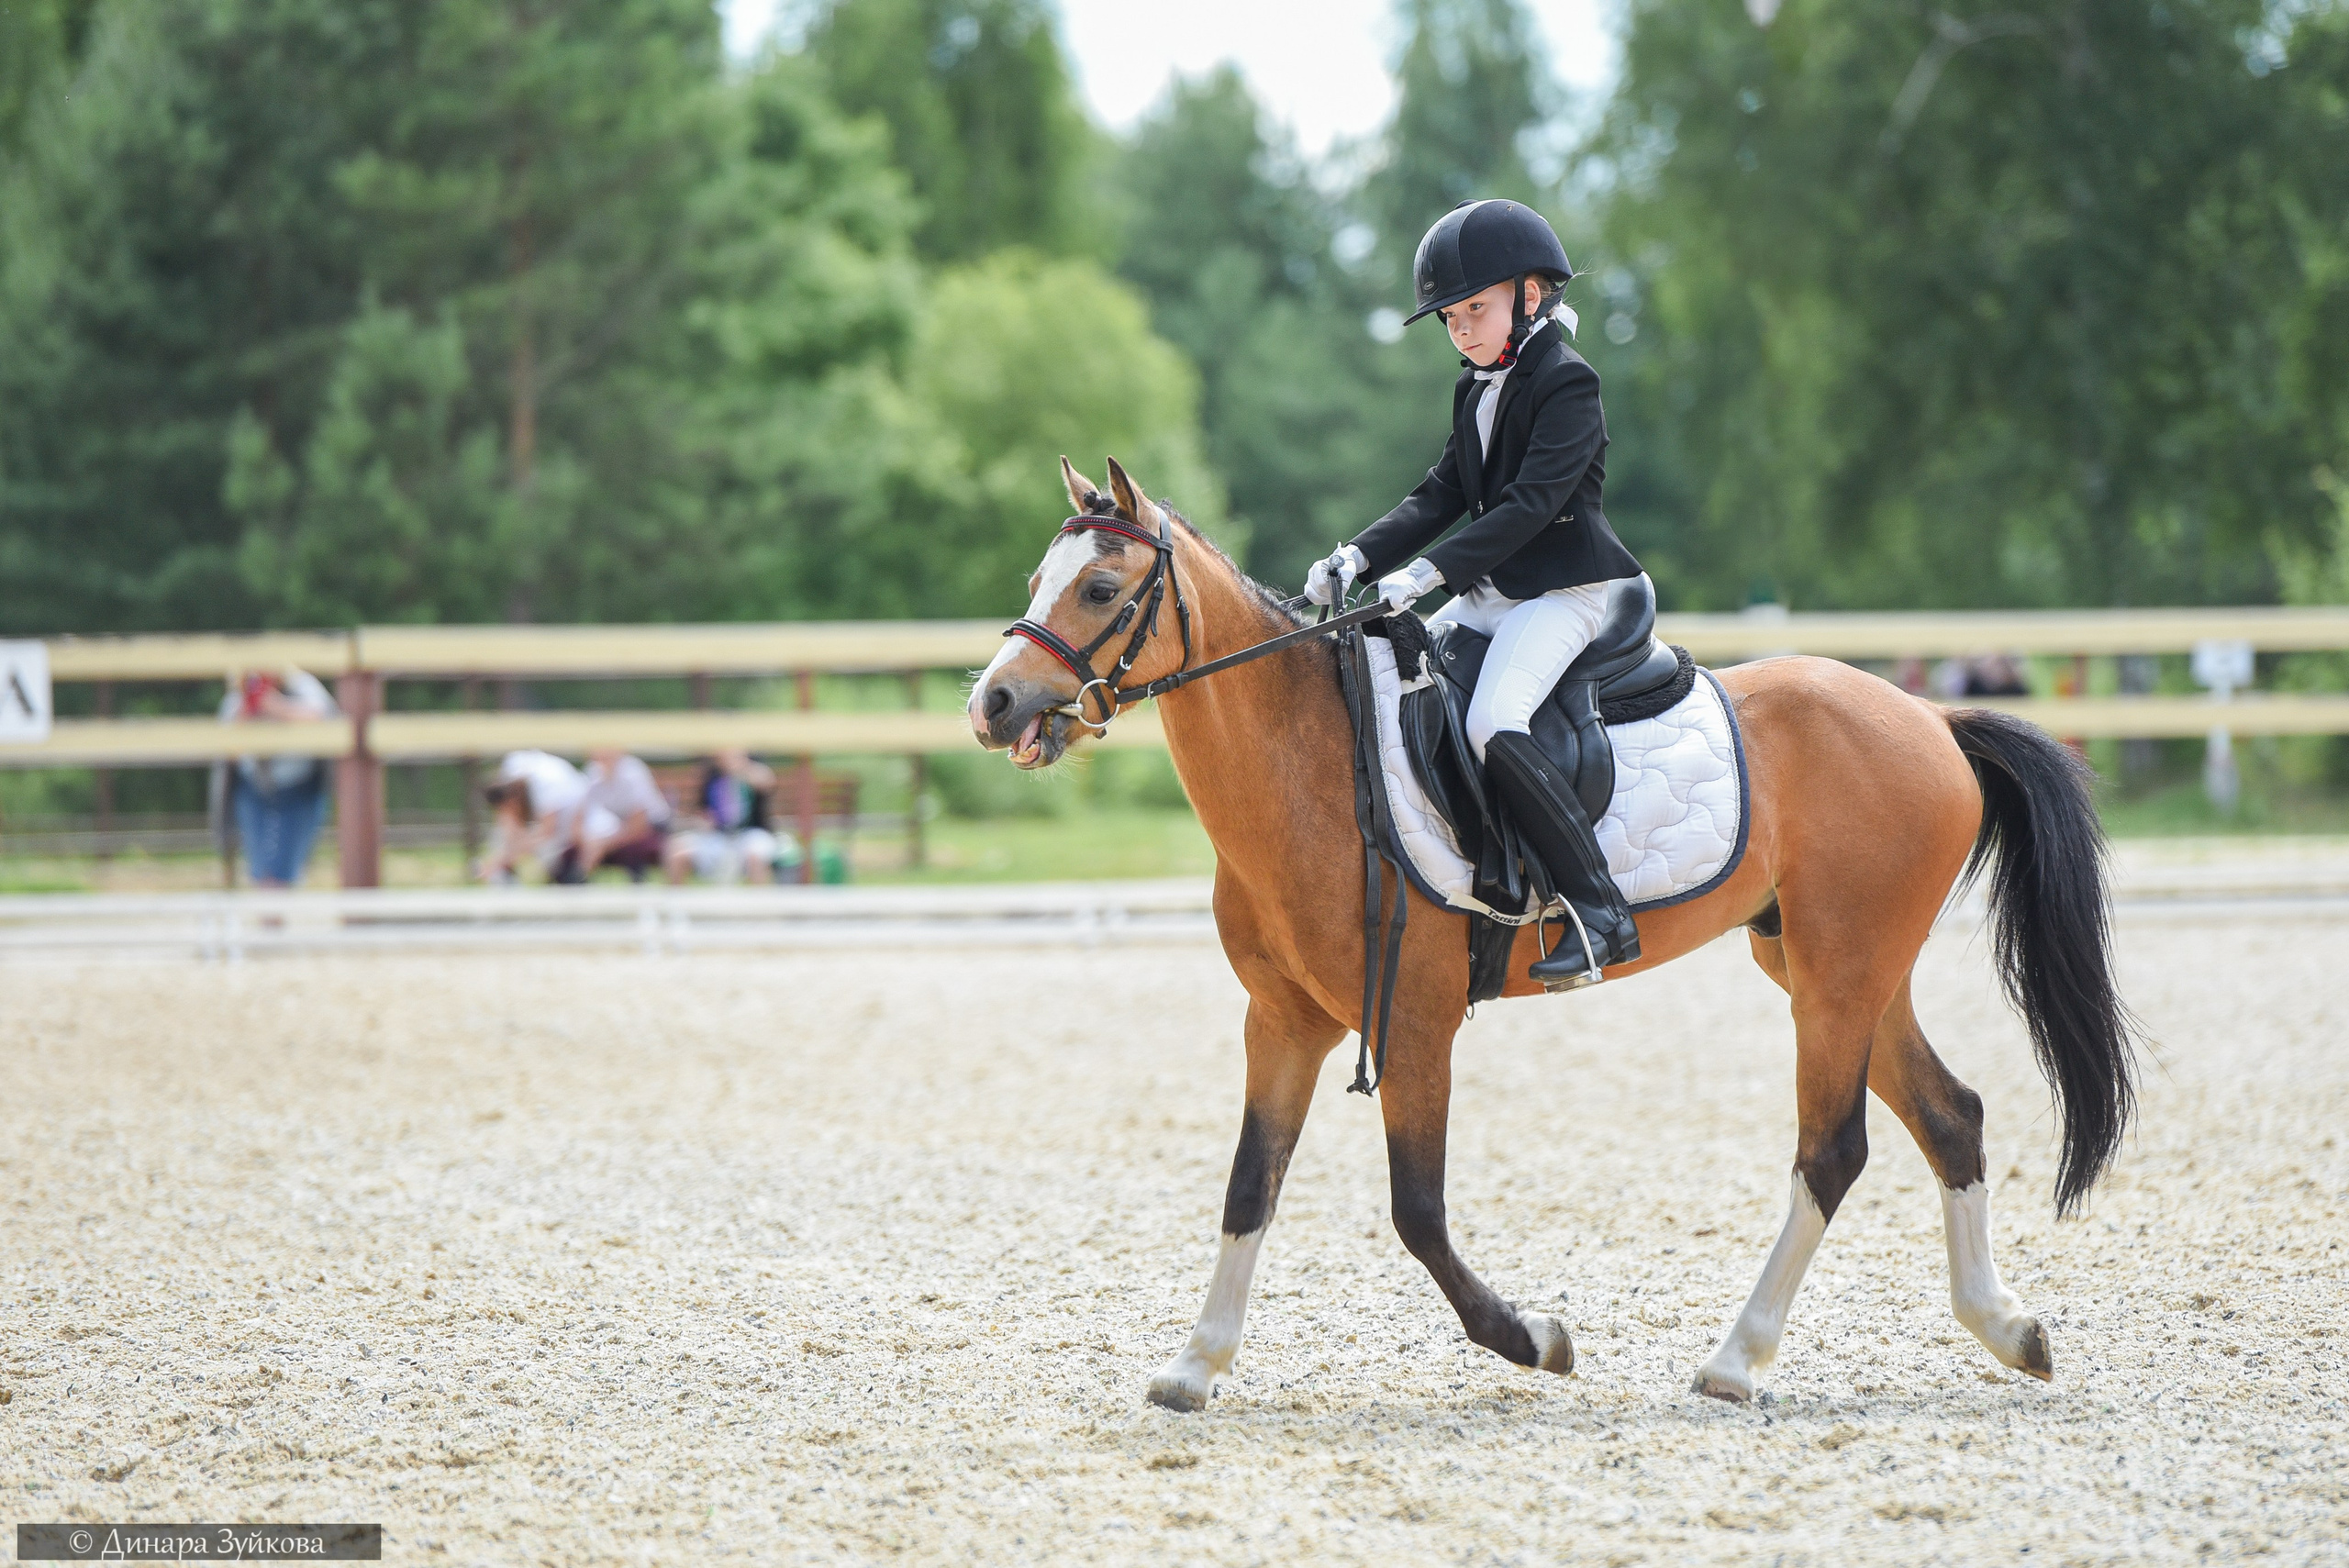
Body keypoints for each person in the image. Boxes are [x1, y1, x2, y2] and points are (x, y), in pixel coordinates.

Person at [1303, 198, 1642, 986]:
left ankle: (1600, 911)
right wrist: (1355, 554)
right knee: (1396, 675)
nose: (1461, 330)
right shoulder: (1475, 387)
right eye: (1452, 317)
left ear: (1532, 294)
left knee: (1494, 719)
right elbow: (1440, 493)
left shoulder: (1569, 383)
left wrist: (1427, 575)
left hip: (1564, 593)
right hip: (1494, 590)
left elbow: (1530, 504)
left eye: (1475, 310)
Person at [216, 667, 339, 889]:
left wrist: (275, 706)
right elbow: (228, 753)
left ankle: (272, 917)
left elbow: (323, 717)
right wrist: (247, 710)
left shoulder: (300, 684)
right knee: (261, 869)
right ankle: (271, 919)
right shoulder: (238, 695)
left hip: (299, 786)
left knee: (283, 870)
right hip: (253, 786)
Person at [679, 750, 795, 884]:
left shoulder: (755, 768)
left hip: (753, 832)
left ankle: (761, 903)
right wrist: (703, 821)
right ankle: (673, 903)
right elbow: (702, 810)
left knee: (755, 856)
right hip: (718, 835)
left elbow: (766, 782)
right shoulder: (711, 774)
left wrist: (739, 767)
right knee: (678, 853)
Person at [565, 748, 676, 884]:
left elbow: (640, 824)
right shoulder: (593, 771)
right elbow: (579, 817)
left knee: (632, 851)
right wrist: (587, 842)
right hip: (620, 826)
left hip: (654, 826)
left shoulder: (633, 772)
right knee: (573, 851)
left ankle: (579, 879)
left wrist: (604, 844)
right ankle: (575, 884)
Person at [481, 749, 590, 884]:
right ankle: (503, 880)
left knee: (549, 852)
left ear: (512, 800)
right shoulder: (512, 770)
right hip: (554, 821)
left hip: (580, 823)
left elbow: (547, 832)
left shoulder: (547, 785)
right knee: (501, 840)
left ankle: (569, 881)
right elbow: (508, 818)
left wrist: (503, 859)